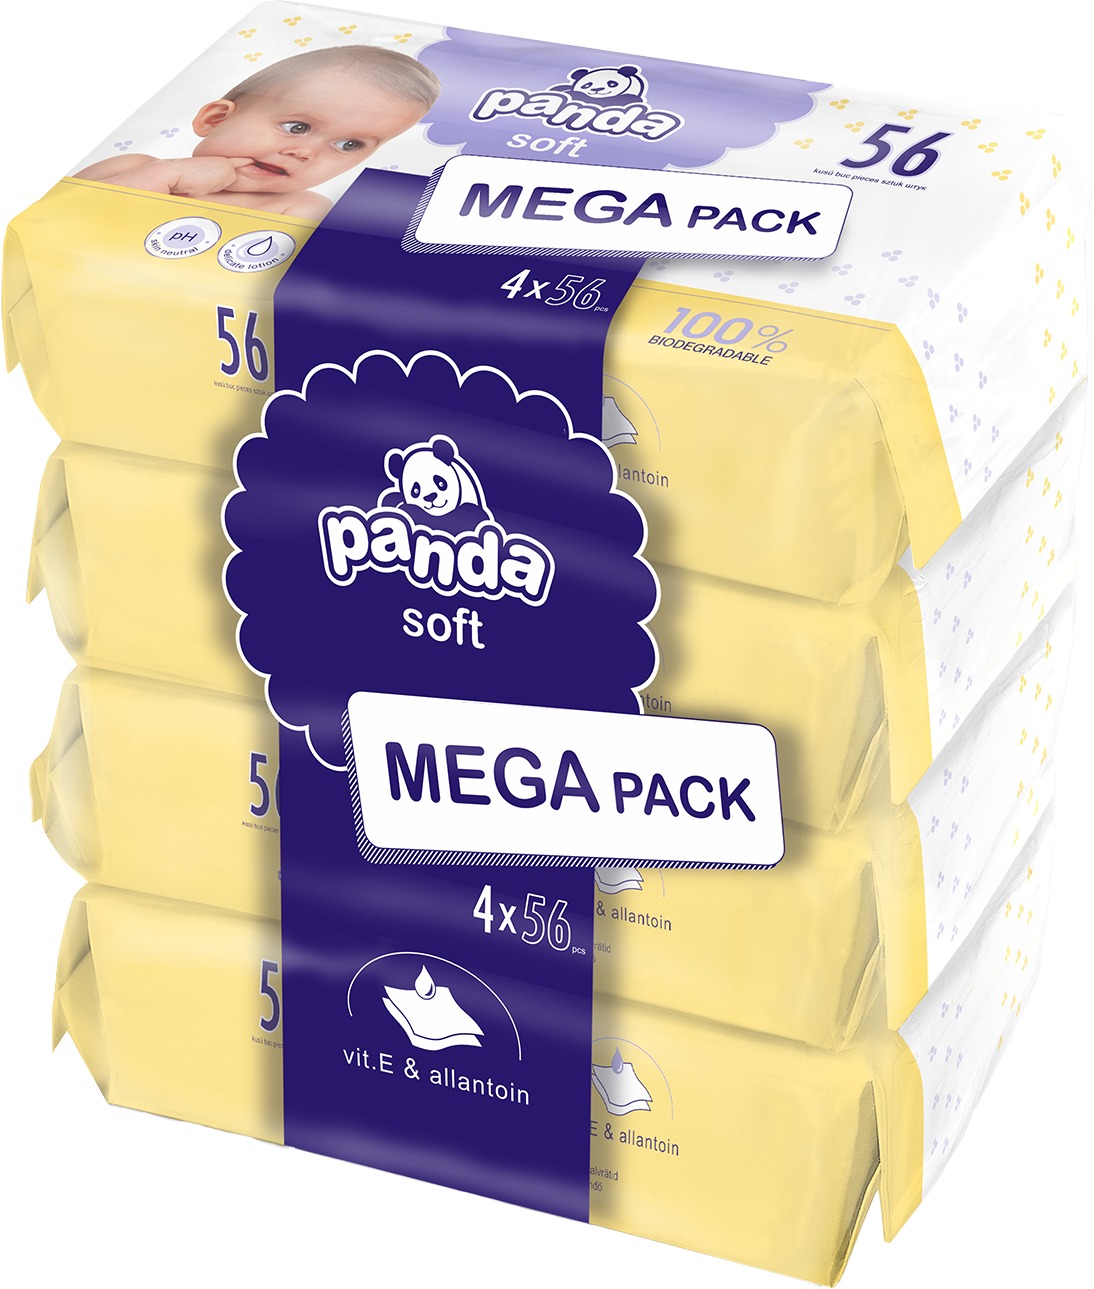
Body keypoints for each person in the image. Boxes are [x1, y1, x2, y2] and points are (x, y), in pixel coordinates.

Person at [76, 45, 440, 219]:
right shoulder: (130, 167)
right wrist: (163, 176)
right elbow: (63, 222)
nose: (305, 152)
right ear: (215, 119)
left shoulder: (299, 208)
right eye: (297, 127)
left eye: (348, 144)